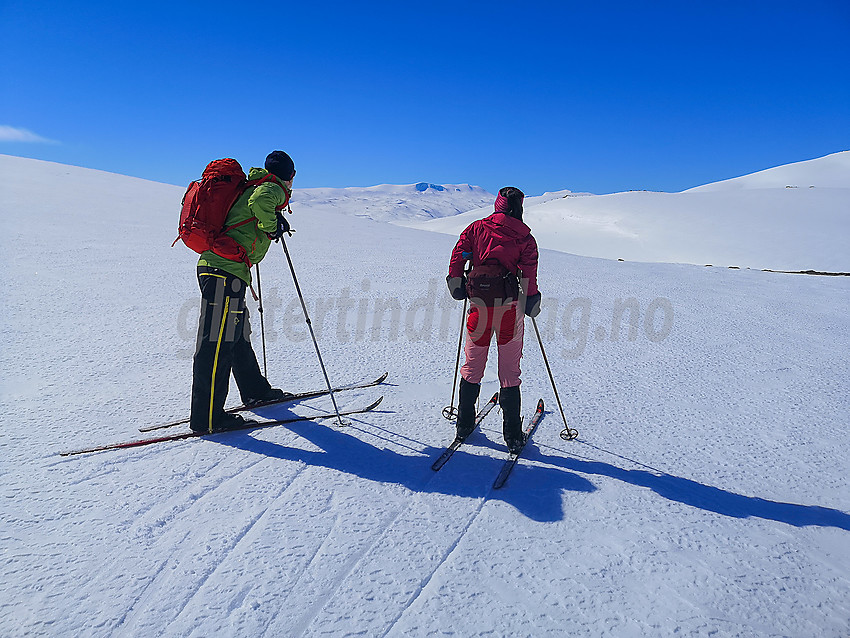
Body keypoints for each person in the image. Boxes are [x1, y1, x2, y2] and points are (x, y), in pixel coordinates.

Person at [190, 151, 296, 434]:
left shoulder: (255, 185)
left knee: (235, 334)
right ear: (292, 175)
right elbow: (261, 203)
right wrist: (272, 227)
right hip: (223, 271)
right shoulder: (271, 188)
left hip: (224, 270)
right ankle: (207, 418)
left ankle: (255, 391)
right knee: (215, 343)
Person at [446, 186, 542, 453]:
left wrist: (457, 283)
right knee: (510, 371)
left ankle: (464, 424)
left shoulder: (475, 229)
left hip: (479, 307)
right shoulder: (525, 239)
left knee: (473, 363)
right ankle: (512, 435)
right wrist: (531, 299)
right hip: (509, 311)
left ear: (497, 205)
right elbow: (529, 274)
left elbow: (458, 257)